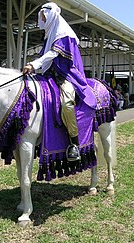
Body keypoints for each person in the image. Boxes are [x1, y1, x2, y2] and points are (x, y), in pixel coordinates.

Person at [23, 2, 97, 162]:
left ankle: (74, 143)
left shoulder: (63, 33)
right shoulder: (50, 36)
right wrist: (34, 67)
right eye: (41, 16)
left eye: (44, 16)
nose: (42, 19)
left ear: (52, 15)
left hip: (67, 75)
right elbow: (44, 57)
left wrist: (33, 65)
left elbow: (51, 55)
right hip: (50, 75)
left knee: (66, 103)